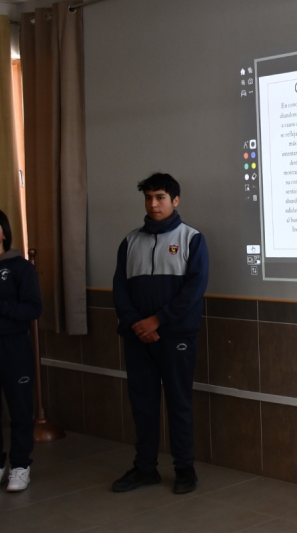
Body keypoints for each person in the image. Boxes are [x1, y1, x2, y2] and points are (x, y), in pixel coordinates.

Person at [112, 173, 209, 494]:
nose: (153, 204)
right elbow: (120, 290)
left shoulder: (191, 239)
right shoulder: (130, 241)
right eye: (149, 198)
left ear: (175, 200)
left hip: (176, 336)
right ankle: (145, 468)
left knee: (179, 403)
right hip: (138, 338)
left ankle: (184, 468)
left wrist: (157, 321)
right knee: (143, 404)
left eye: (160, 198)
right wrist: (136, 324)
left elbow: (193, 291)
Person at [0, 209, 41, 492]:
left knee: (20, 409)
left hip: (13, 346)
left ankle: (21, 465)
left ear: (4, 232)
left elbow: (33, 308)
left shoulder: (20, 267)